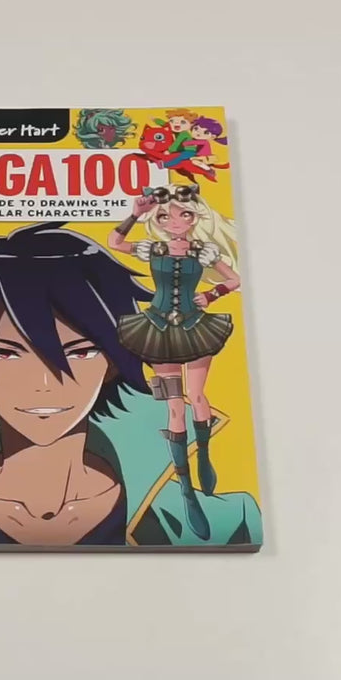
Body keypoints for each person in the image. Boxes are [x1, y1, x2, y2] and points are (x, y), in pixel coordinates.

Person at [0, 222, 260, 548]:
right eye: (7, 353)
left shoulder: (231, 519)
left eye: (80, 352)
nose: (43, 385)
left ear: (114, 361)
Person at [107, 184, 242, 539]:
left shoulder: (203, 251)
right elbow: (115, 242)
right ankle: (185, 488)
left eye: (183, 215)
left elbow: (234, 279)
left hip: (197, 329)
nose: (175, 221)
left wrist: (211, 294)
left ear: (195, 217)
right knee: (174, 406)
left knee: (197, 397)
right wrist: (134, 214)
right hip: (157, 330)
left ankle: (205, 454)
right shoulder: (154, 248)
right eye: (166, 216)